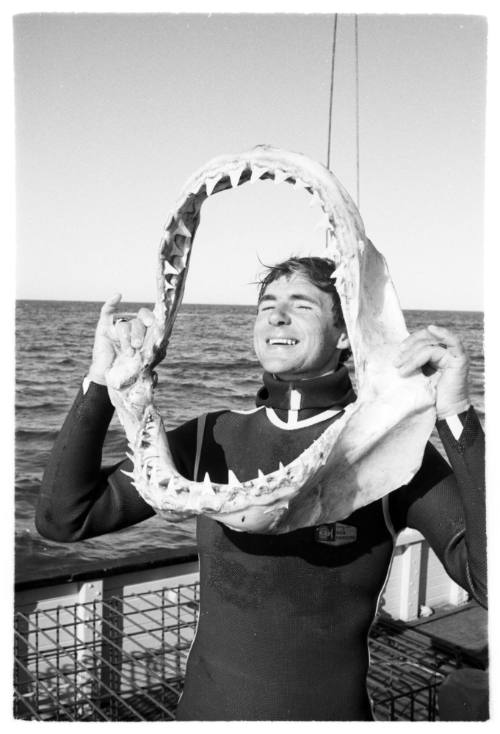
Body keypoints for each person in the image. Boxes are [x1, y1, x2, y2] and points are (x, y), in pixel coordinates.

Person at [36, 257, 486, 721]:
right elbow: (66, 518)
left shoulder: (385, 451)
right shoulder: (211, 438)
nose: (276, 316)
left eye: (302, 305)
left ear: (346, 332)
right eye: (267, 305)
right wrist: (99, 380)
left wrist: (456, 415)